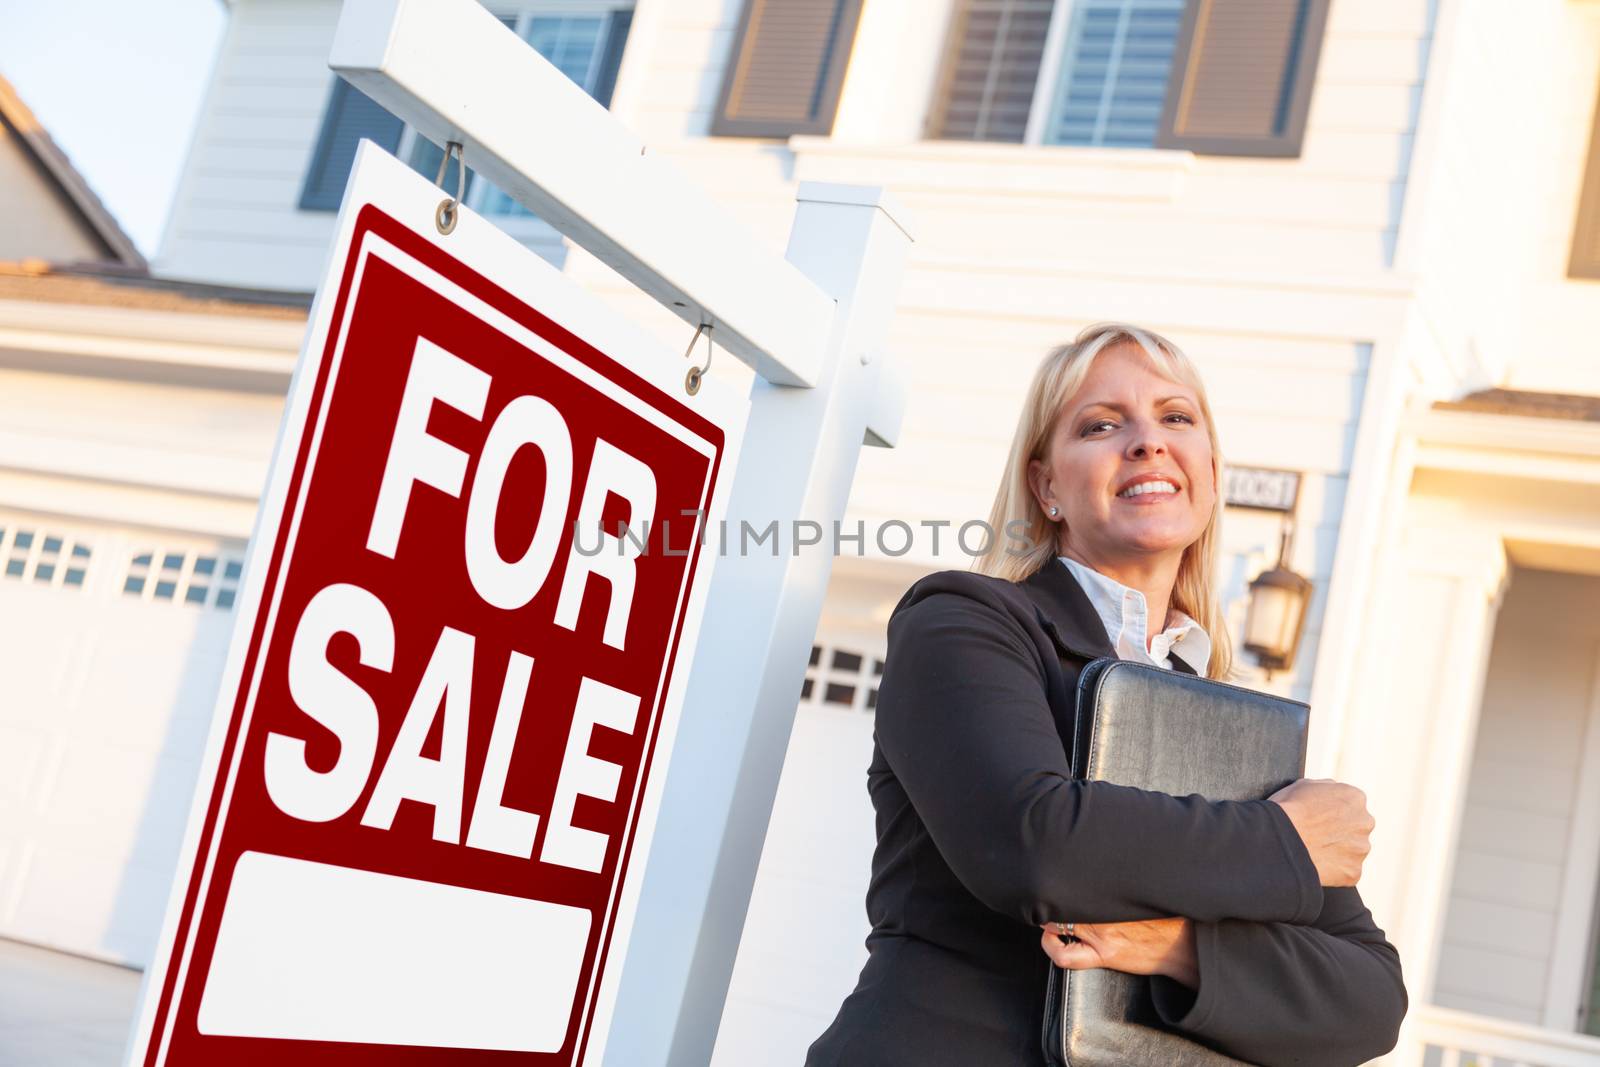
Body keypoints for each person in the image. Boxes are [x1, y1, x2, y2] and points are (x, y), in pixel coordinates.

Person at [805, 323, 1406, 1066]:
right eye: (1100, 424)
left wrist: (1176, 946)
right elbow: (1032, 842)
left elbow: (1371, 999)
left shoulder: (1232, 724)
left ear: (1211, 475)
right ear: (1047, 486)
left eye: (1176, 417)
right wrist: (1286, 842)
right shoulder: (965, 622)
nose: (1148, 441)